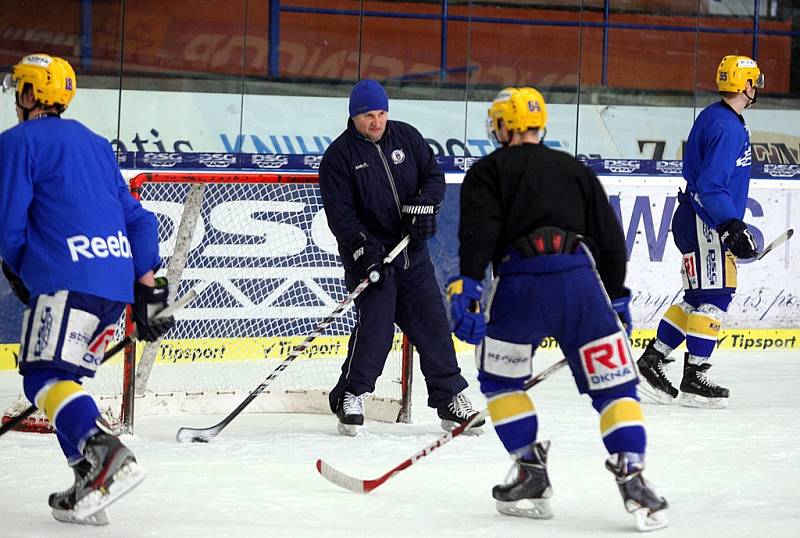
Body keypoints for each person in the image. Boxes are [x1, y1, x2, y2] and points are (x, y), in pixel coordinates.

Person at [447, 87, 668, 531]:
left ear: (504, 124)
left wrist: (467, 289)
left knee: (499, 381)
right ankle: (633, 474)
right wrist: (617, 298)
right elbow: (608, 237)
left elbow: (480, 233)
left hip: (521, 287)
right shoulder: (574, 168)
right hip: (580, 287)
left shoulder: (488, 171)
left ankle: (529, 471)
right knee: (616, 387)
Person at [0, 54, 175, 525]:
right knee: (63, 380)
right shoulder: (96, 144)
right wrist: (149, 289)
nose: (17, 98)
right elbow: (139, 220)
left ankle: (107, 457)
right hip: (113, 287)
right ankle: (88, 481)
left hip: (65, 279)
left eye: (20, 89)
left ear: (31, 94)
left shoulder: (17, 142)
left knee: (41, 378)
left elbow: (9, 226)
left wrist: (21, 270)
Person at [319, 79, 483, 436]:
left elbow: (434, 177)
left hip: (413, 257)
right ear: (354, 117)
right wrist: (364, 248)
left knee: (434, 328)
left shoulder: (407, 138)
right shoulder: (338, 157)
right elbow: (340, 215)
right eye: (367, 116)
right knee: (375, 332)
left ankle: (450, 398)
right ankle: (353, 394)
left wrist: (426, 205)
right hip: (372, 260)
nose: (376, 122)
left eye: (380, 113)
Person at [637, 55, 764, 409]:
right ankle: (694, 377)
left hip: (696, 219)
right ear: (746, 85)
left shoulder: (717, 116)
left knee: (696, 299)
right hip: (706, 222)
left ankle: (652, 360)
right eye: (754, 81)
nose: (757, 87)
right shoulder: (727, 127)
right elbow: (709, 184)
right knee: (718, 295)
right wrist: (729, 224)